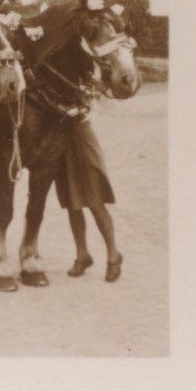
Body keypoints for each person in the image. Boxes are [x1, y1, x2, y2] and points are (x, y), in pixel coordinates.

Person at [61, 120, 124, 282]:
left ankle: (113, 256)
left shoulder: (86, 93)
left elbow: (91, 103)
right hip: (59, 137)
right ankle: (82, 255)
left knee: (95, 201)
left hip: (81, 136)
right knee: (72, 204)